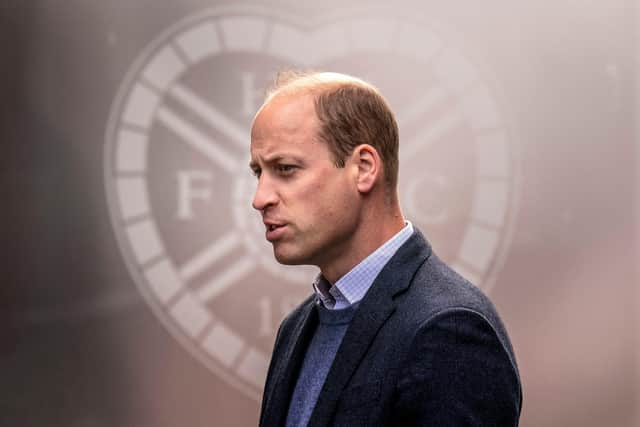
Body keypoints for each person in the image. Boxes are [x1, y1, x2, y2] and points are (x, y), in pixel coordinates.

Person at [249, 70, 522, 427]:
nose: (260, 198)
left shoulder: (448, 329)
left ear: (363, 168)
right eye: (259, 172)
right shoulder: (298, 326)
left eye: (285, 168)